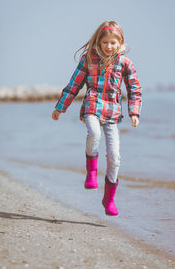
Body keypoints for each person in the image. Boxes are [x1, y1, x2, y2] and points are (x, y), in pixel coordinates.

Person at [52, 20, 142, 216]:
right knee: (94, 133)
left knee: (115, 157)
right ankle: (91, 173)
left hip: (113, 112)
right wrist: (60, 107)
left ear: (120, 43)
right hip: (92, 105)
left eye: (113, 43)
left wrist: (134, 112)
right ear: (99, 43)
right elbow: (74, 84)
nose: (109, 47)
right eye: (105, 43)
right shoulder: (88, 59)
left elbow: (134, 89)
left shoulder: (125, 63)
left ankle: (109, 199)